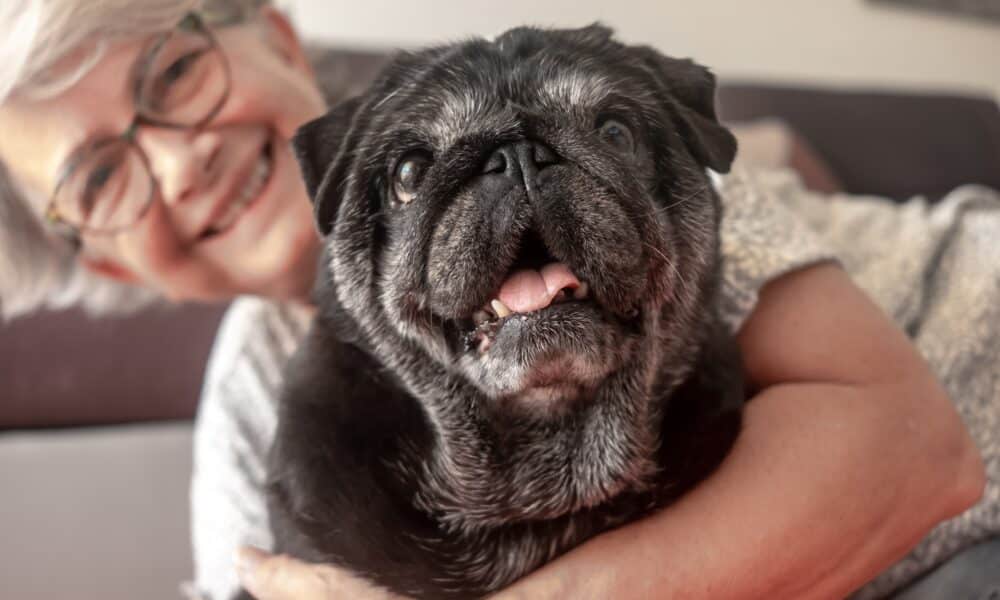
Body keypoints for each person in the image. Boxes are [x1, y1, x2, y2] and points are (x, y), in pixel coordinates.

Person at [0, 1, 992, 599]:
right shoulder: (255, 399)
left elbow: (910, 452)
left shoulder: (638, 175)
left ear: (275, 36)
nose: (178, 162)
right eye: (98, 180)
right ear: (112, 266)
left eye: (172, 72)